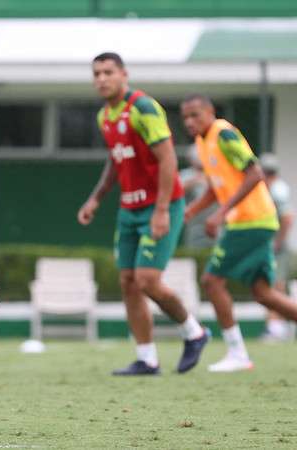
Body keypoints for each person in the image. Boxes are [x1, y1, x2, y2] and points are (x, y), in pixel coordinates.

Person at [77, 52, 208, 376]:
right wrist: (96, 199)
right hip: (129, 209)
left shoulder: (143, 108)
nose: (102, 79)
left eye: (108, 72)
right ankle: (147, 358)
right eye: (97, 73)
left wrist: (162, 210)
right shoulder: (105, 116)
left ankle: (194, 331)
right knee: (128, 282)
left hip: (160, 205)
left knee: (148, 280)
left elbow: (168, 160)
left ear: (124, 74)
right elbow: (116, 160)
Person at [181, 94, 297, 372]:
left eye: (195, 114)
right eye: (185, 117)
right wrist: (191, 211)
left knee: (211, 281)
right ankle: (238, 353)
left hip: (251, 221)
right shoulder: (203, 142)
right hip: (252, 222)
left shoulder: (224, 134)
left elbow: (254, 173)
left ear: (210, 112)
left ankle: (237, 353)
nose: (189, 122)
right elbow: (216, 187)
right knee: (263, 293)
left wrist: (221, 214)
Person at [259, 154, 294, 341]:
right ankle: (274, 325)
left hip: (277, 248)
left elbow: (288, 218)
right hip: (271, 246)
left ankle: (275, 327)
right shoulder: (270, 188)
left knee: (276, 286)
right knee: (270, 285)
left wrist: (277, 243)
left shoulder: (277, 190)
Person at [179, 146, 217, 250]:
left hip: (214, 221)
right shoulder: (186, 174)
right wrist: (195, 181)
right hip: (194, 223)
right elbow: (178, 190)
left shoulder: (215, 172)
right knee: (194, 252)